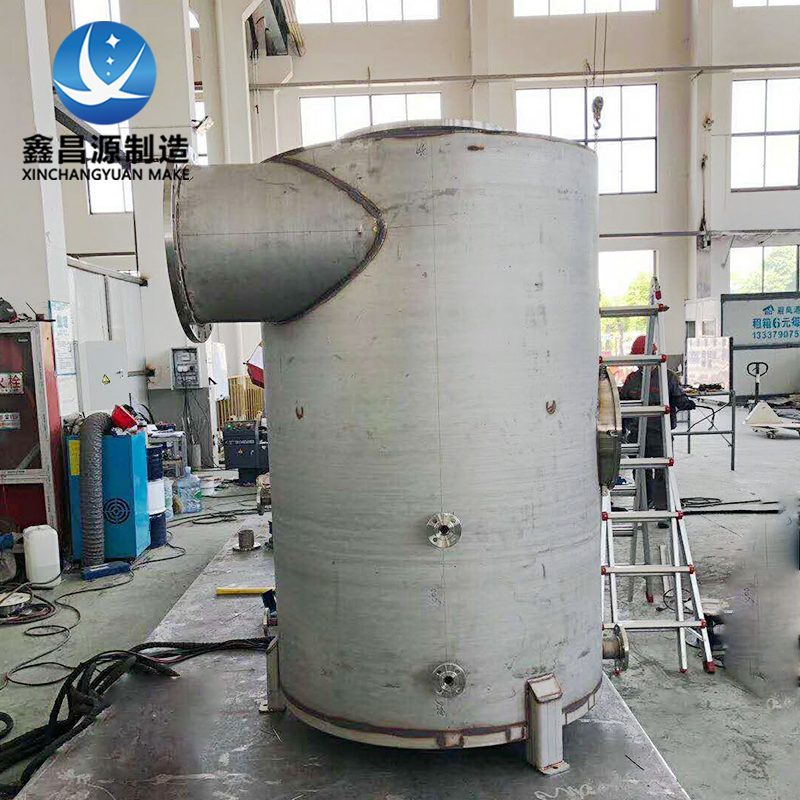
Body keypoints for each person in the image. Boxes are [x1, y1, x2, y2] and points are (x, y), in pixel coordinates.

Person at [619, 335, 696, 511]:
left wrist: (685, 402)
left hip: (661, 434)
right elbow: (623, 405)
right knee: (640, 472)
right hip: (638, 435)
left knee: (662, 472)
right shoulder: (632, 380)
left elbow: (677, 396)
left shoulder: (667, 377)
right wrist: (621, 429)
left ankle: (662, 510)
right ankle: (644, 505)